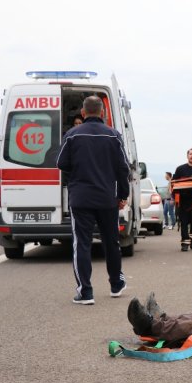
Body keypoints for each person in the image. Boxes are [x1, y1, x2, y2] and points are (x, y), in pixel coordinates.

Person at [57, 95, 131, 305]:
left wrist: (76, 176)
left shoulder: (72, 135)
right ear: (102, 113)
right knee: (111, 242)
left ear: (83, 112)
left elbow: (61, 163)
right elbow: (123, 168)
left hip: (81, 199)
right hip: (107, 199)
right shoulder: (113, 136)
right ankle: (116, 284)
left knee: (82, 243)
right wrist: (122, 195)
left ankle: (85, 292)